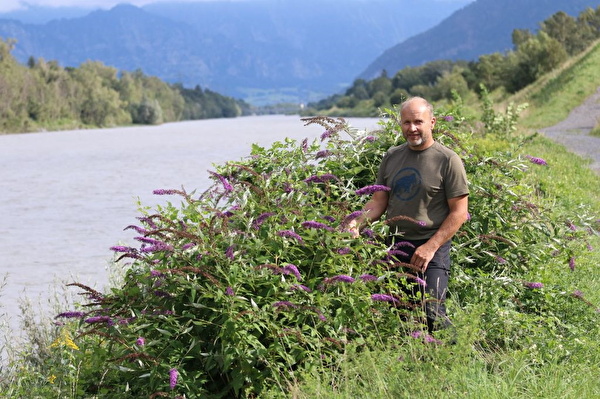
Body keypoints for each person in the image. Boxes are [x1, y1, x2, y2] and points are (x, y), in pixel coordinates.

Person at [349, 96, 469, 333]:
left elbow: (459, 213)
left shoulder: (448, 160)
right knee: (401, 315)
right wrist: (355, 222)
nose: (412, 128)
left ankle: (456, 357)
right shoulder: (392, 157)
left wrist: (430, 247)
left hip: (432, 246)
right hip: (395, 245)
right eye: (406, 122)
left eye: (418, 122)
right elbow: (378, 201)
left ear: (432, 122)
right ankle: (415, 364)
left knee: (432, 313)